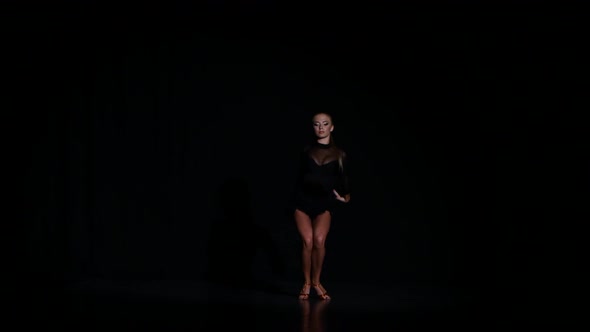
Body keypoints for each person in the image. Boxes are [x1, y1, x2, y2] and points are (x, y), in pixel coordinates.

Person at [293, 112, 350, 300]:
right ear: (313, 127)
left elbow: (345, 184)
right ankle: (306, 282)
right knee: (307, 242)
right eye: (316, 124)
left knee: (319, 242)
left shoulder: (339, 155)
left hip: (324, 204)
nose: (320, 127)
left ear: (331, 127)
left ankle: (316, 282)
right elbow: (297, 177)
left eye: (325, 124)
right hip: (302, 202)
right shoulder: (306, 151)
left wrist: (345, 198)